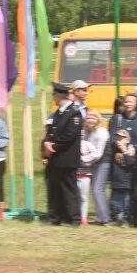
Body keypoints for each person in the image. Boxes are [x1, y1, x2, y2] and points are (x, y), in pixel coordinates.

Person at [43, 82, 82, 226]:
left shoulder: (74, 113)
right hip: (55, 158)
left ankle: (74, 218)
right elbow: (49, 131)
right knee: (54, 188)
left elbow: (69, 136)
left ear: (60, 96)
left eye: (54, 94)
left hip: (67, 158)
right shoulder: (57, 114)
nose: (53, 97)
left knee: (69, 189)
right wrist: (46, 142)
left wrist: (53, 145)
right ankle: (55, 217)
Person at [109, 93, 137, 226]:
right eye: (126, 101)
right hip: (120, 159)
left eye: (131, 101)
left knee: (135, 191)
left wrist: (135, 148)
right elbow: (111, 137)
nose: (128, 104)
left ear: (136, 103)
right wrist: (120, 147)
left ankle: (133, 219)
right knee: (119, 189)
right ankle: (118, 217)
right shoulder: (117, 118)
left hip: (136, 161)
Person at [77, 111, 108, 226]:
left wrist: (84, 160)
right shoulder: (84, 132)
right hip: (89, 163)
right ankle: (98, 217)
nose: (90, 120)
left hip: (102, 162)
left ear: (98, 120)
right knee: (88, 191)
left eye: (93, 118)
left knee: (97, 189)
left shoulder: (102, 133)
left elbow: (98, 154)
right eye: (88, 118)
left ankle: (105, 217)